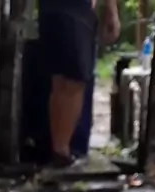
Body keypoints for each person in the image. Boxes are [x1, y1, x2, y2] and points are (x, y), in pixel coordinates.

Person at [38, 0, 120, 167]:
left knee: (63, 80)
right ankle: (61, 151)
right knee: (72, 79)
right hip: (72, 9)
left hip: (60, 8)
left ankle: (60, 150)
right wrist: (111, 11)